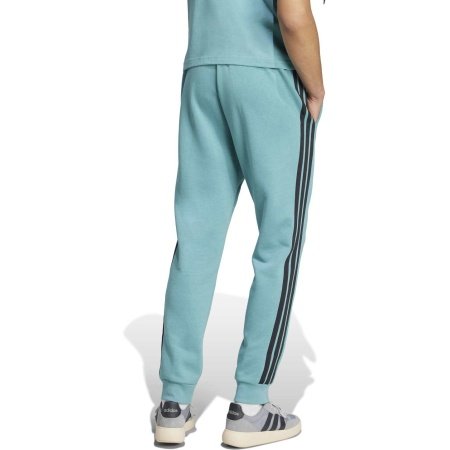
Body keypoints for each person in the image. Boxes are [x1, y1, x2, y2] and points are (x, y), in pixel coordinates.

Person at [155, 0, 325, 446]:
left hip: (201, 71)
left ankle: (173, 403)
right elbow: (293, 15)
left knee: (195, 241)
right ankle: (250, 405)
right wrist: (316, 88)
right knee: (279, 244)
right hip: (267, 77)